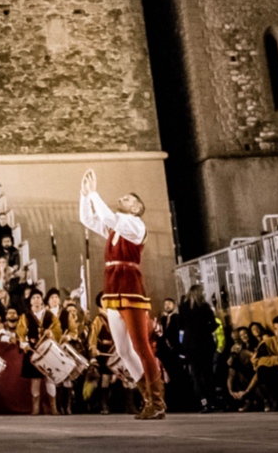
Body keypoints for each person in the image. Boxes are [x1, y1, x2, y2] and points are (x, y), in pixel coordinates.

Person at [79, 168, 164, 419]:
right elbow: (89, 219)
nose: (123, 200)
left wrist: (94, 193)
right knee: (124, 350)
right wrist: (85, 195)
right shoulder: (116, 229)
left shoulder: (135, 225)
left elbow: (106, 215)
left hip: (130, 288)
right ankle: (148, 398)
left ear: (137, 208)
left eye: (129, 199)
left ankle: (158, 401)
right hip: (113, 288)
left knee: (141, 346)